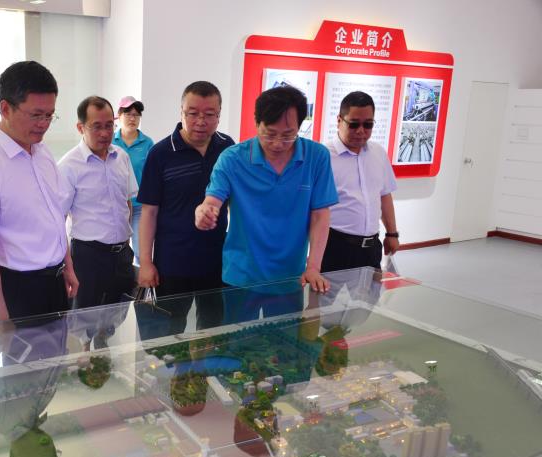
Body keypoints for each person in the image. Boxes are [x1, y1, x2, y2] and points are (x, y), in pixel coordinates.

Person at [195, 85, 338, 322]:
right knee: (238, 340)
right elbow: (212, 200)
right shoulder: (233, 158)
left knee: (285, 340)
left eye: (288, 135)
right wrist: (205, 211)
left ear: (300, 126)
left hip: (290, 275)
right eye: (269, 134)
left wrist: (313, 266)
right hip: (241, 275)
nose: (278, 143)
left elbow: (320, 215)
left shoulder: (316, 157)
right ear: (256, 123)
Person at [0, 60, 78, 321]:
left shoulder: (42, 152)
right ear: (5, 108)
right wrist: (0, 319)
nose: (44, 124)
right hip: (20, 289)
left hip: (56, 280)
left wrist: (67, 265)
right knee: (25, 350)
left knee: (59, 347)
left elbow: (55, 217)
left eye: (50, 115)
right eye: (36, 115)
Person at [136, 81, 234, 334]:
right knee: (169, 334)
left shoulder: (227, 148)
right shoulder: (160, 153)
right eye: (192, 113)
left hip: (216, 260)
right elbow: (149, 212)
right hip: (172, 263)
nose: (201, 121)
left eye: (209, 114)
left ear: (219, 115)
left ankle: (206, 361)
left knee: (212, 330)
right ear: (181, 112)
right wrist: (145, 262)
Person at [59, 96, 137, 310]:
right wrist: (66, 265)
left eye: (109, 125)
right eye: (97, 127)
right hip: (88, 258)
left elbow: (127, 202)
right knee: (85, 318)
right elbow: (58, 219)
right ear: (80, 127)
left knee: (120, 315)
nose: (104, 133)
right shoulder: (68, 166)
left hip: (122, 255)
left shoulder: (121, 157)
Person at [321, 91, 399, 272]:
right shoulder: (324, 156)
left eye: (368, 124)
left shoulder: (378, 153)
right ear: (339, 120)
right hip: (334, 247)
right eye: (354, 124)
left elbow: (384, 195)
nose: (361, 131)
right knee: (328, 292)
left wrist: (392, 233)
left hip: (371, 248)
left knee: (371, 292)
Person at [112, 96, 154, 264]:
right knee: (118, 251)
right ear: (119, 116)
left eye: (136, 115)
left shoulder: (147, 143)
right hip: (116, 206)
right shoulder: (110, 141)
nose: (132, 118)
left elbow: (152, 176)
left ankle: (140, 281)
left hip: (139, 206)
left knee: (140, 252)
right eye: (128, 114)